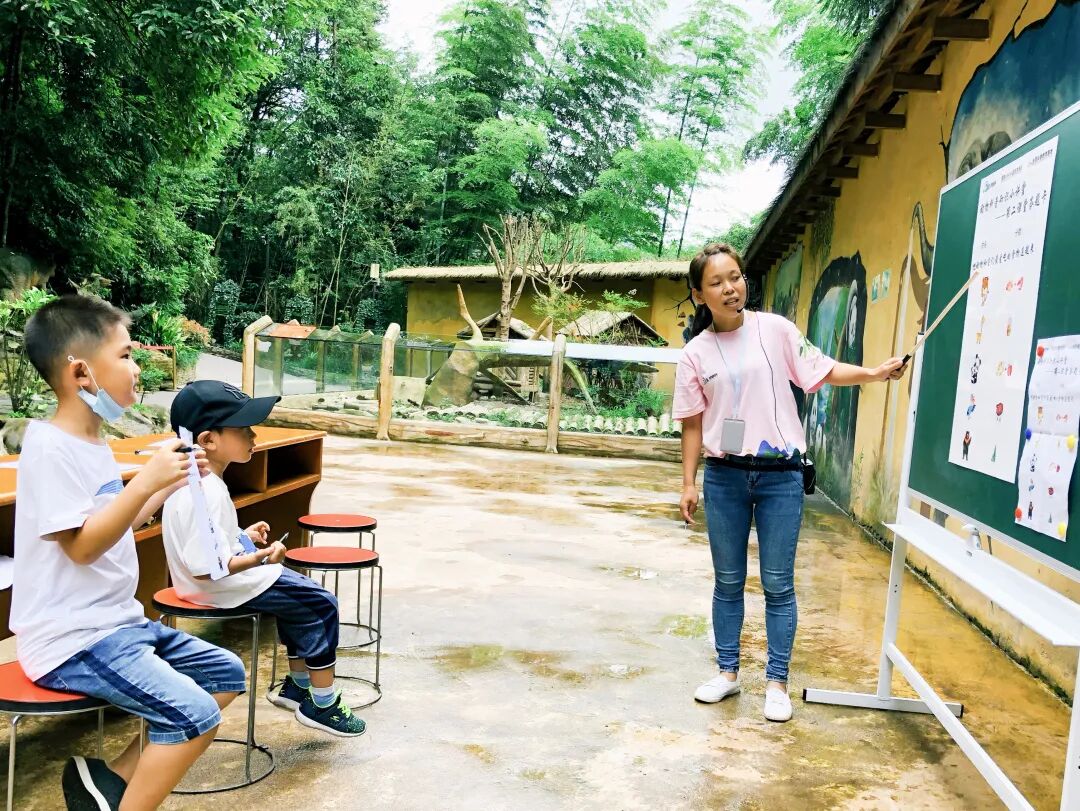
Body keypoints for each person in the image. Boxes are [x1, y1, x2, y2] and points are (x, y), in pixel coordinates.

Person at [13, 296, 245, 810]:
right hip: (73, 639)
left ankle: (110, 782)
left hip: (117, 625)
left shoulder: (92, 443)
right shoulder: (49, 447)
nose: (137, 368)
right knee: (194, 716)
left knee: (226, 673)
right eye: (125, 355)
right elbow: (82, 547)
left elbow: (116, 524)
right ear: (81, 373)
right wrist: (144, 483)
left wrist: (166, 486)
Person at [674, 243, 906, 723]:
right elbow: (692, 423)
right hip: (724, 478)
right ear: (699, 294)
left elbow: (822, 368)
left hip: (781, 477)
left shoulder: (775, 330)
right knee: (728, 581)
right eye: (716, 282)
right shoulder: (695, 354)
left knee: (778, 583)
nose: (730, 288)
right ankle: (728, 673)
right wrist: (688, 483)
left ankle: (776, 683)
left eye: (735, 277)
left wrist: (873, 373)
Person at [162, 380, 366, 737]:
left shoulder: (195, 481)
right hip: (220, 589)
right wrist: (262, 558)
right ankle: (323, 703)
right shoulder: (208, 491)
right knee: (322, 604)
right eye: (244, 429)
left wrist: (243, 537)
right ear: (208, 439)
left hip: (210, 584)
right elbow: (208, 568)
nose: (254, 436)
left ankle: (298, 686)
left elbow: (209, 543)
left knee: (300, 599)